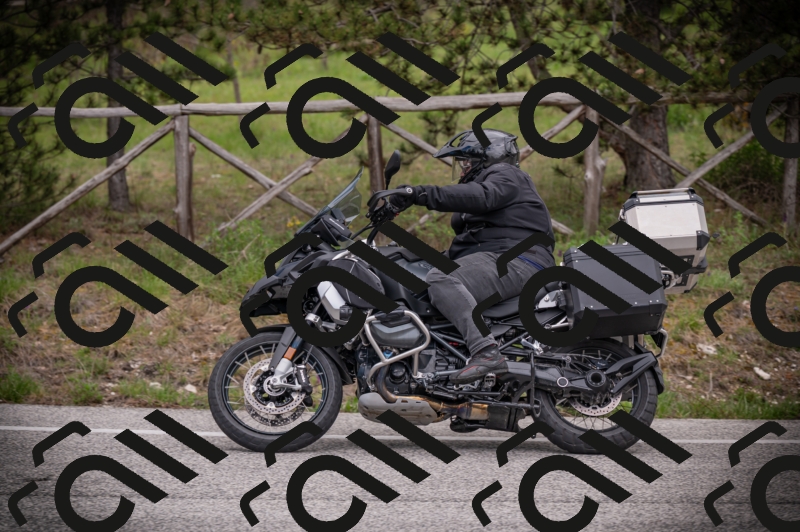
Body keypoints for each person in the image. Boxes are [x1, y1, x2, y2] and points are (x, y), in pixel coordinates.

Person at [384, 129, 555, 385]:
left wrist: (420, 193)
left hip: (520, 259)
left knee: (442, 278)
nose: (463, 168)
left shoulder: (506, 175)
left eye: (467, 162)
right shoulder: (491, 187)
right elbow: (470, 246)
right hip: (500, 257)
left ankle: (486, 351)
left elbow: (483, 196)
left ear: (487, 158)